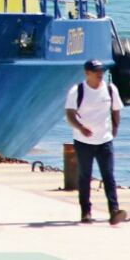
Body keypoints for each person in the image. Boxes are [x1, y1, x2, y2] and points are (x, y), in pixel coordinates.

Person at [65, 59, 127, 225]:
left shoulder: (110, 89)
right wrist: (80, 127)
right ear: (87, 73)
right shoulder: (77, 91)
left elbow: (116, 110)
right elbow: (70, 114)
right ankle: (86, 212)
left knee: (109, 175)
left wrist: (114, 128)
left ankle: (114, 211)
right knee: (85, 176)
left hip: (105, 141)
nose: (100, 74)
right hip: (83, 141)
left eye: (101, 71)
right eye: (96, 71)